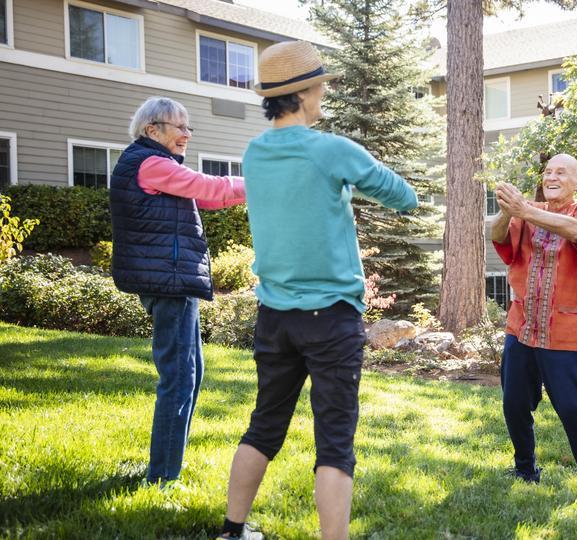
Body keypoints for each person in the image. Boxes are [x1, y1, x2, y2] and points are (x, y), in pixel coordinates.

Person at [218, 41, 417, 540]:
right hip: (331, 318)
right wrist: (347, 185)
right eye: (321, 84)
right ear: (304, 92)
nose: (325, 91)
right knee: (334, 442)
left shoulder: (254, 152)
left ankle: (232, 529)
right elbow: (404, 196)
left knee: (264, 425)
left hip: (274, 317)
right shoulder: (332, 149)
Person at [109, 97, 246, 485]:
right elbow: (207, 186)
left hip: (171, 280)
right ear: (152, 129)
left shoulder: (153, 164)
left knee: (191, 372)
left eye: (189, 127)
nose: (187, 134)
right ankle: (162, 476)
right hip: (169, 282)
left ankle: (167, 464)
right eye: (179, 126)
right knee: (179, 377)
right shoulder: (151, 164)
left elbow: (205, 196)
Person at [490, 153, 577, 500]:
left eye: (561, 172)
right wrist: (506, 212)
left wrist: (526, 210)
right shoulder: (524, 212)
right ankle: (525, 468)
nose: (551, 176)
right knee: (514, 403)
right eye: (547, 171)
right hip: (522, 326)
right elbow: (500, 239)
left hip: (567, 332)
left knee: (573, 410)